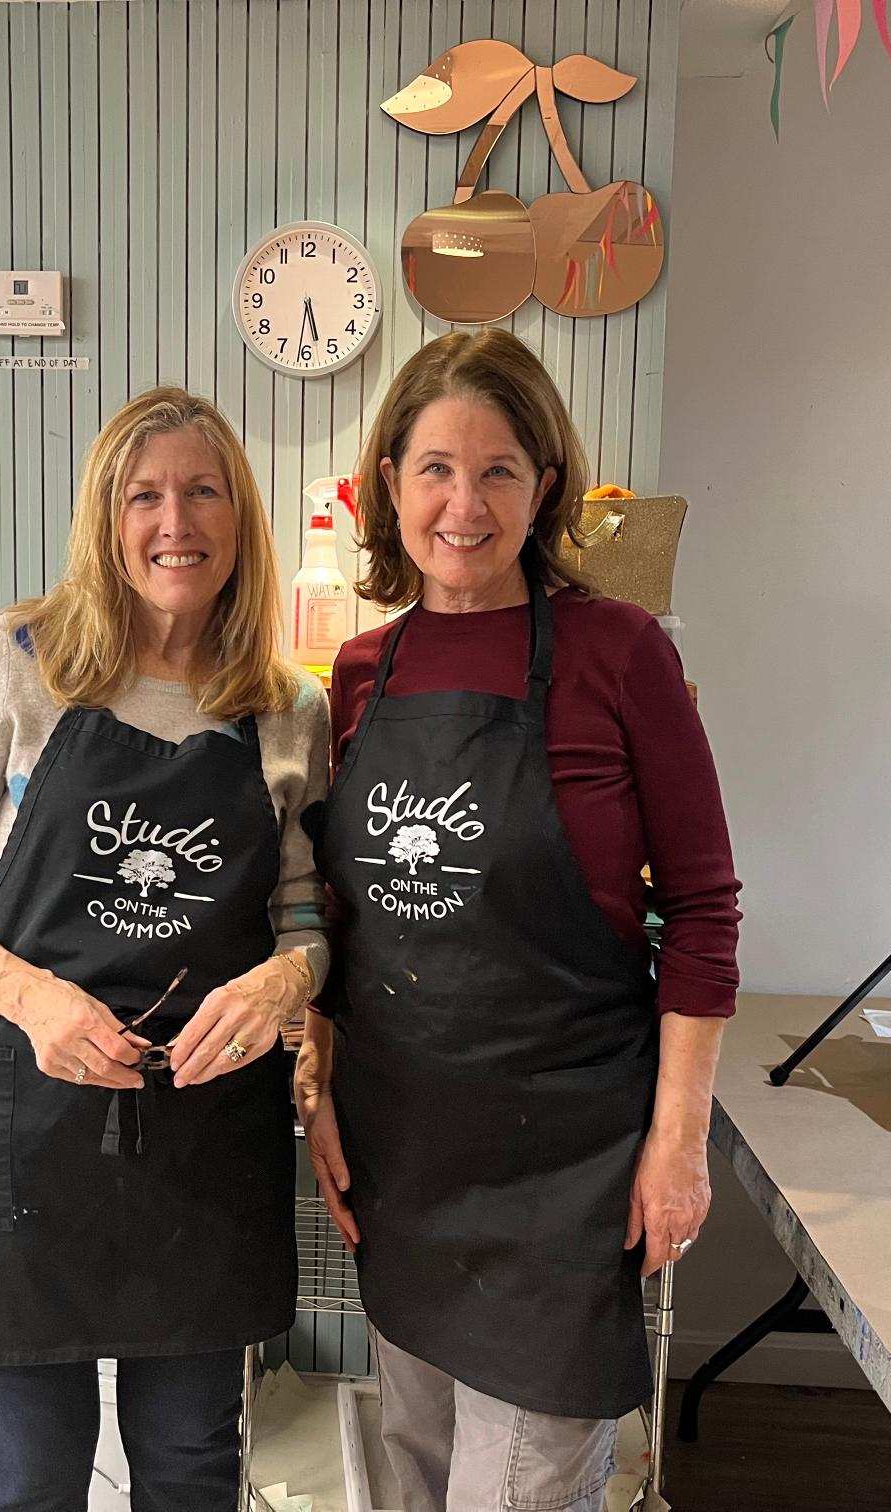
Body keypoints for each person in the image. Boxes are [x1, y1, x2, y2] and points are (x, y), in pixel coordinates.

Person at [297, 330, 742, 1512]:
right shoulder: (358, 672)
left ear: (545, 485)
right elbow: (344, 919)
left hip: (569, 1166)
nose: (464, 503)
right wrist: (321, 1090)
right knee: (417, 1470)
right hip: (407, 1152)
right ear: (389, 483)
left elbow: (703, 909)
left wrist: (680, 1145)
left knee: (523, 1492)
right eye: (435, 467)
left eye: (499, 470)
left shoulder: (620, 653)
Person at [0, 388, 330, 1512]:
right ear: (106, 517)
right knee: (30, 1476)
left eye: (202, 490)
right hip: (21, 1134)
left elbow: (309, 918)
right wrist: (36, 1002)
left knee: (186, 1471)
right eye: (145, 495)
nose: (175, 521)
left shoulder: (286, 709)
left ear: (241, 518)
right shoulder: (24, 662)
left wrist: (285, 981)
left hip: (204, 1142)